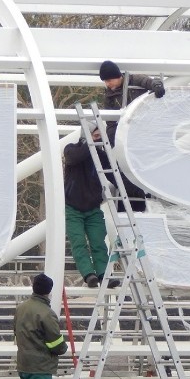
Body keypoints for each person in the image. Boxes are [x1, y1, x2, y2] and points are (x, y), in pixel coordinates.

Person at [95, 60, 166, 213]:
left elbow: (150, 82)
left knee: (146, 169)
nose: (107, 84)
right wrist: (114, 141)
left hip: (146, 132)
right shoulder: (110, 96)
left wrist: (158, 87)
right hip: (128, 138)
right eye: (105, 82)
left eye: (109, 80)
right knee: (130, 172)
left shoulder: (134, 80)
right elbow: (111, 122)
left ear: (117, 76)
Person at [64, 123, 110, 288]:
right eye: (95, 136)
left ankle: (104, 273)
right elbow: (74, 158)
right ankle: (88, 274)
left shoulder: (100, 156)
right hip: (72, 208)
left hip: (93, 208)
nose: (97, 141)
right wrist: (89, 143)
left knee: (98, 241)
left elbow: (114, 171)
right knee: (79, 243)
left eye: (99, 137)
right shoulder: (71, 150)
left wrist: (134, 188)